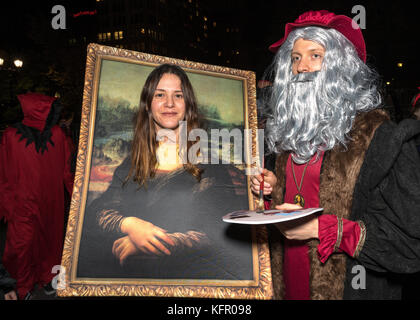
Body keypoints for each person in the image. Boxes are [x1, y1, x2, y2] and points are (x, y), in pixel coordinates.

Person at [251, 10, 420, 299]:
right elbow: (305, 198)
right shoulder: (289, 136)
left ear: (341, 68)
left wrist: (322, 229)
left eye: (315, 55)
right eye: (295, 57)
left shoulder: (381, 138)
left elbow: (409, 245)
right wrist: (275, 190)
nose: (302, 67)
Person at [77, 64, 253, 280]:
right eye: (160, 94)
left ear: (188, 105)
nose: (169, 103)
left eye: (178, 95)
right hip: (132, 283)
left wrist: (149, 243)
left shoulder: (210, 166)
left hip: (190, 282)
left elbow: (217, 232)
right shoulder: (132, 163)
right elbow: (99, 211)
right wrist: (131, 225)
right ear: (148, 105)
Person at [0, 92, 74, 299]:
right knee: (22, 245)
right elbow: (4, 171)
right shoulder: (11, 136)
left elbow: (66, 170)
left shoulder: (58, 135)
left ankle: (49, 279)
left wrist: (78, 195)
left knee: (51, 242)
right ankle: (23, 286)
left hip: (51, 201)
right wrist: (5, 203)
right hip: (23, 202)